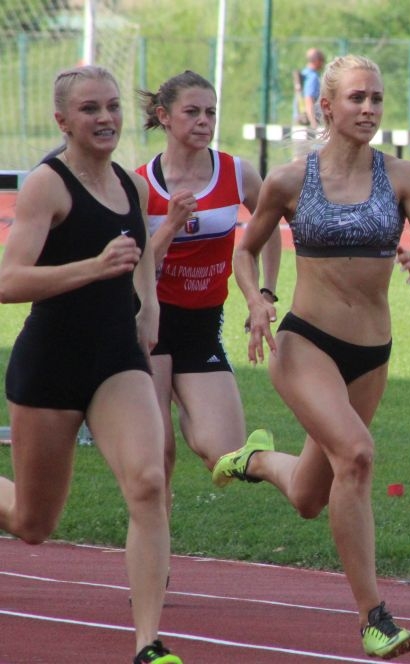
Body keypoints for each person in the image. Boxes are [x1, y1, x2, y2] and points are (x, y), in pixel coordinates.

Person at [213, 54, 410, 659]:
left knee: (309, 497)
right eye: (356, 98)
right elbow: (246, 250)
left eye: (376, 99)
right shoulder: (291, 180)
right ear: (327, 106)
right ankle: (375, 617)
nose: (369, 109)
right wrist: (258, 299)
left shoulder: (404, 177)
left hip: (371, 355)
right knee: (358, 454)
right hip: (305, 345)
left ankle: (256, 459)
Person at [0, 65, 181, 664]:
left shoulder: (131, 184)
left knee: (148, 483)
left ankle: (148, 644)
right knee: (33, 523)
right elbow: (7, 281)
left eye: (112, 106)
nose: (105, 118)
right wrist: (93, 269)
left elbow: (139, 252)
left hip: (117, 359)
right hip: (51, 364)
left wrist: (149, 305)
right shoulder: (46, 186)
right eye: (89, 109)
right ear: (62, 120)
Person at [135, 71, 262, 504]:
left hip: (202, 324)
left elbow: (269, 226)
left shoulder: (237, 172)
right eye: (192, 112)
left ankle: (188, 408)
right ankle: (157, 550)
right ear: (164, 116)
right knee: (157, 458)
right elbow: (135, 268)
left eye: (210, 112)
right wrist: (171, 225)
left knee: (226, 454)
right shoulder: (140, 183)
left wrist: (265, 292)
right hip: (150, 324)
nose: (204, 121)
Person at [292, 48, 326, 132]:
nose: (323, 63)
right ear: (316, 60)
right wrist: (314, 123)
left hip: (300, 120)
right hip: (308, 123)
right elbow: (309, 100)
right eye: (322, 60)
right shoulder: (312, 77)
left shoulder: (304, 73)